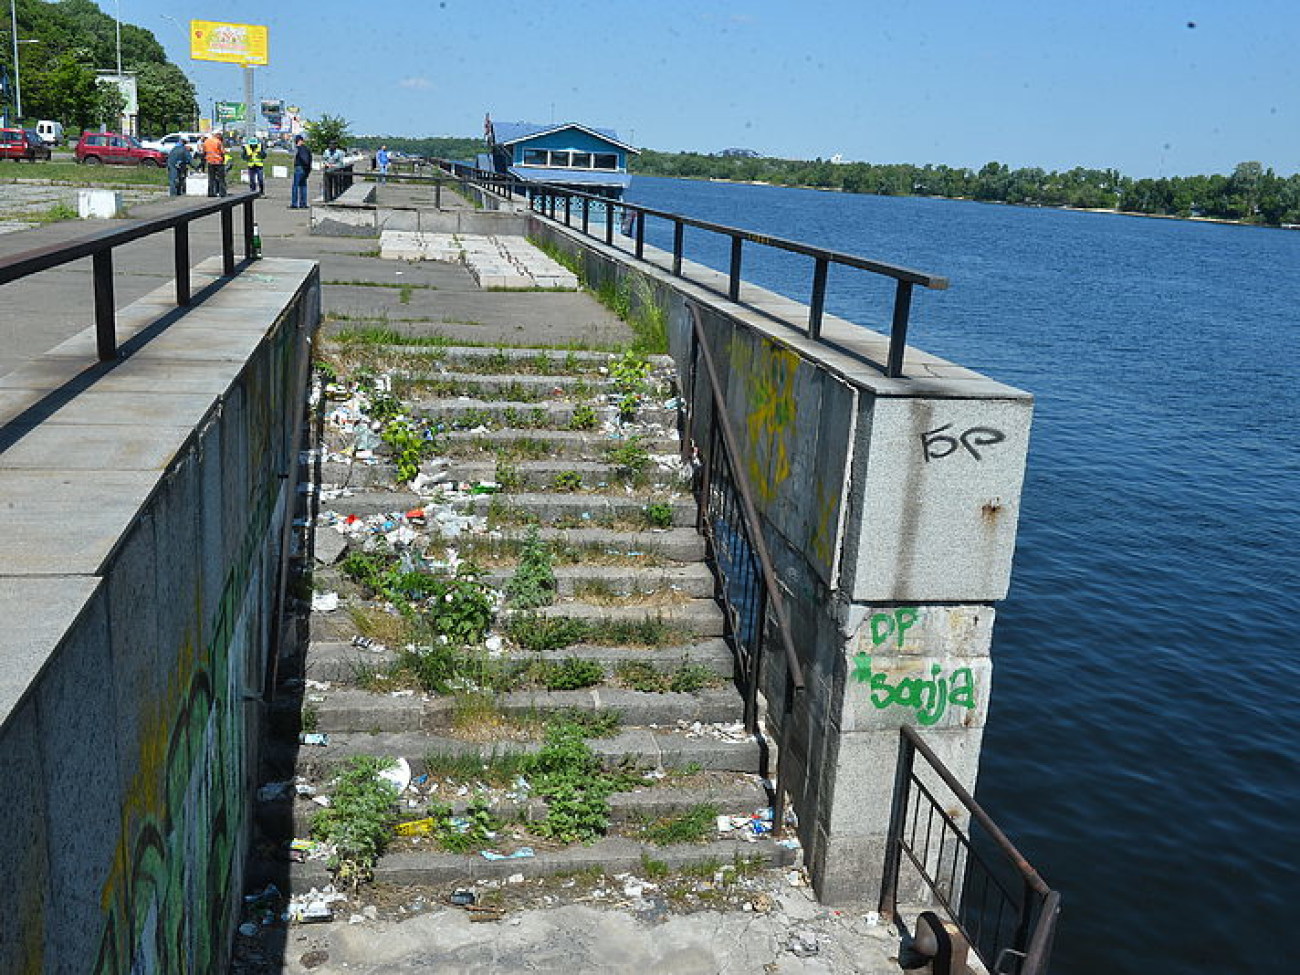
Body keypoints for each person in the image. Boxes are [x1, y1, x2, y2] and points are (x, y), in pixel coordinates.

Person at [203, 131, 226, 197]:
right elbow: (222, 152)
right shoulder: (218, 142)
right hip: (218, 162)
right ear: (217, 135)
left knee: (211, 178)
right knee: (221, 178)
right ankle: (222, 193)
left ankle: (211, 193)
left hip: (210, 161)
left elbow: (204, 151)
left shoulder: (206, 141)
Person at [291, 134, 312, 209]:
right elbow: (310, 159)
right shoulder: (307, 149)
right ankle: (303, 203)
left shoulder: (300, 149)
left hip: (299, 168)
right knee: (303, 186)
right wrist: (308, 169)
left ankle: (294, 203)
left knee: (295, 186)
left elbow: (304, 159)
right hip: (305, 169)